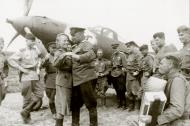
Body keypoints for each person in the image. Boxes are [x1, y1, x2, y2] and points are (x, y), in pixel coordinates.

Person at [8, 33, 44, 124]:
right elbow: (10, 59)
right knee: (27, 98)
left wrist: (39, 65)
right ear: (27, 41)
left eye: (33, 42)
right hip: (26, 75)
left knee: (39, 95)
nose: (32, 43)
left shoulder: (36, 50)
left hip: (35, 74)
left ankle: (26, 110)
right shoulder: (22, 51)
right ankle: (26, 118)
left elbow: (41, 56)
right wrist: (21, 68)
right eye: (30, 41)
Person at [65, 27, 98, 126]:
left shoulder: (86, 44)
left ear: (80, 34)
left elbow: (91, 55)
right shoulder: (76, 47)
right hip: (76, 80)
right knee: (75, 104)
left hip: (85, 78)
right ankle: (75, 124)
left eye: (73, 35)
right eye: (71, 35)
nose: (72, 37)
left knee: (90, 104)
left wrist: (77, 57)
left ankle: (93, 124)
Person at [52, 33, 72, 126]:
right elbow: (55, 63)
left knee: (64, 106)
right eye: (64, 40)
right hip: (62, 82)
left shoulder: (67, 51)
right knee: (61, 107)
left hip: (68, 82)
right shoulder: (59, 52)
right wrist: (65, 54)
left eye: (67, 40)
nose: (66, 42)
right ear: (58, 42)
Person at [125, 41, 143, 111]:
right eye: (127, 47)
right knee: (129, 91)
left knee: (135, 92)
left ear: (133, 46)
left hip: (134, 76)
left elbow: (141, 64)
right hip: (128, 75)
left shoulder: (137, 54)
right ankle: (131, 106)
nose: (128, 48)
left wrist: (137, 72)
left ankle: (137, 107)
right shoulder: (129, 55)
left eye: (129, 47)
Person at [41, 42, 57, 118]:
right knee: (49, 95)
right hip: (49, 79)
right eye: (52, 48)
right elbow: (42, 66)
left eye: (55, 48)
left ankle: (54, 113)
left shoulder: (58, 56)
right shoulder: (47, 57)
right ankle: (54, 110)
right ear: (49, 49)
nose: (54, 49)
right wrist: (46, 60)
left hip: (56, 78)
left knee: (52, 99)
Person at [110, 43, 127, 109]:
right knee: (116, 89)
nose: (115, 50)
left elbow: (125, 65)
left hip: (120, 74)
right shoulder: (112, 56)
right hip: (114, 74)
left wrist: (121, 67)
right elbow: (111, 64)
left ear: (118, 48)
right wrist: (112, 67)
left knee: (121, 89)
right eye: (114, 49)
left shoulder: (122, 55)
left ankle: (124, 104)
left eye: (116, 48)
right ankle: (119, 103)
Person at [0, 37, 8, 105]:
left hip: (1, 78)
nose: (1, 46)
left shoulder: (3, 55)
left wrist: (5, 75)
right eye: (0, 44)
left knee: (3, 93)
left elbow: (6, 66)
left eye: (2, 44)